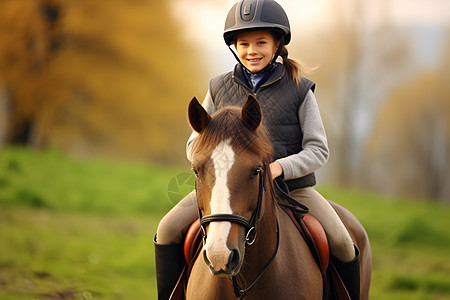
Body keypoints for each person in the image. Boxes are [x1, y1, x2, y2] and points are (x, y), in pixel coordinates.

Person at [154, 0, 360, 299]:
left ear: (277, 43)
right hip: (228, 187)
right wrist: (212, 162)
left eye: (261, 42)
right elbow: (194, 142)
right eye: (244, 43)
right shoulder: (218, 87)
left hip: (293, 190)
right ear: (234, 47)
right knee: (168, 228)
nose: (252, 50)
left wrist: (280, 168)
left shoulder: (299, 89)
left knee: (342, 242)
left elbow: (318, 149)